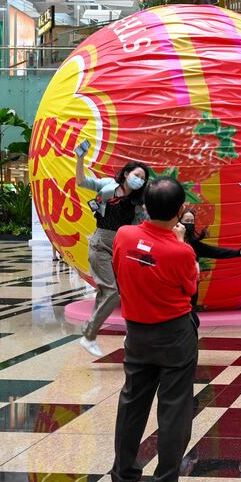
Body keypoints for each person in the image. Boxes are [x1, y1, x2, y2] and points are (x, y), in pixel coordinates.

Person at [110, 177, 199, 482]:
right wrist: (177, 242)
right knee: (174, 409)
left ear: (144, 206)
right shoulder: (181, 250)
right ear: (179, 212)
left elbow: (121, 270)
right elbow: (190, 288)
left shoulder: (124, 236)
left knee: (132, 404)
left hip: (136, 333)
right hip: (174, 334)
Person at [76, 143, 149, 357]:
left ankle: (131, 334)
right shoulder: (108, 186)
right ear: (126, 174)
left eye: (143, 179)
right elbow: (82, 181)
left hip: (123, 247)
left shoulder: (139, 201)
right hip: (101, 244)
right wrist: (80, 158)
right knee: (112, 292)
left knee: (122, 292)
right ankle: (89, 335)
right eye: (137, 175)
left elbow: (143, 226)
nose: (140, 181)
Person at [179, 208, 241, 327]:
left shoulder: (194, 244)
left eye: (192, 221)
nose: (189, 224)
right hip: (175, 286)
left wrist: (238, 253)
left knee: (192, 319)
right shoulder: (170, 241)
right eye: (186, 221)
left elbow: (216, 252)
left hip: (191, 285)